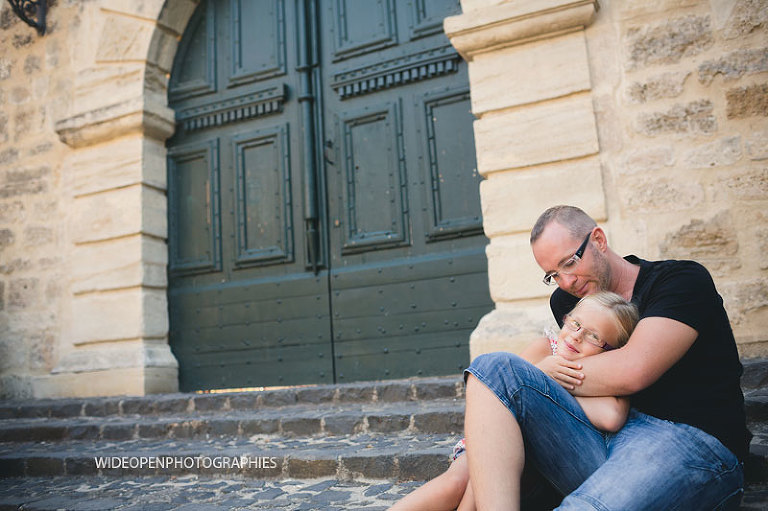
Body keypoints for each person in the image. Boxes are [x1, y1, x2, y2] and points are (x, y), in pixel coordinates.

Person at [463, 205, 750, 510]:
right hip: (601, 438)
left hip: (688, 443)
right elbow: (584, 374)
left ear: (598, 240)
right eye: (553, 275)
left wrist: (541, 375)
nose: (566, 282)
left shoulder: (680, 280)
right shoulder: (568, 301)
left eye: (570, 263)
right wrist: (534, 375)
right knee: (492, 366)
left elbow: (633, 369)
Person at [389, 292, 640, 511]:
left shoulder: (606, 373)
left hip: (533, 451)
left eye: (593, 336)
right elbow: (506, 393)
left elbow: (611, 415)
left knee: (478, 483)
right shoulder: (544, 349)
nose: (576, 336)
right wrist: (542, 374)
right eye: (575, 323)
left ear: (612, 351)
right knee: (458, 482)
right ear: (566, 319)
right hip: (491, 436)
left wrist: (551, 390)